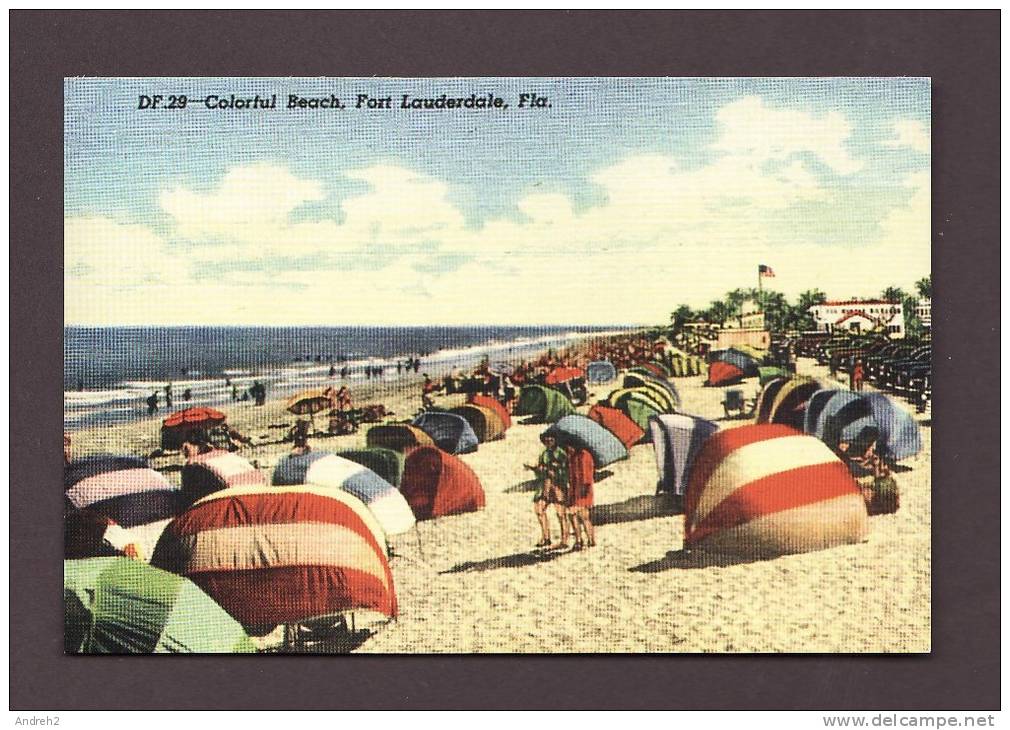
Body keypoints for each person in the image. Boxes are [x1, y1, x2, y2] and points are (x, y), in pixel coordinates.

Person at [524, 433, 570, 550]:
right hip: (544, 486)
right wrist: (536, 469)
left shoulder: (561, 453)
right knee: (539, 510)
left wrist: (552, 471)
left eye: (551, 439)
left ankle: (564, 539)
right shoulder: (544, 454)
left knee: (561, 514)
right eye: (546, 440)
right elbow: (540, 471)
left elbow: (565, 471)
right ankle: (546, 537)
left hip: (557, 486)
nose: (548, 442)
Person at [565, 446, 596, 550]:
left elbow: (586, 475)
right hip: (575, 490)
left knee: (574, 514)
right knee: (582, 516)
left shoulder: (584, 455)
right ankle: (589, 540)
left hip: (582, 489)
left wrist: (582, 490)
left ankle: (580, 540)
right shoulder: (572, 457)